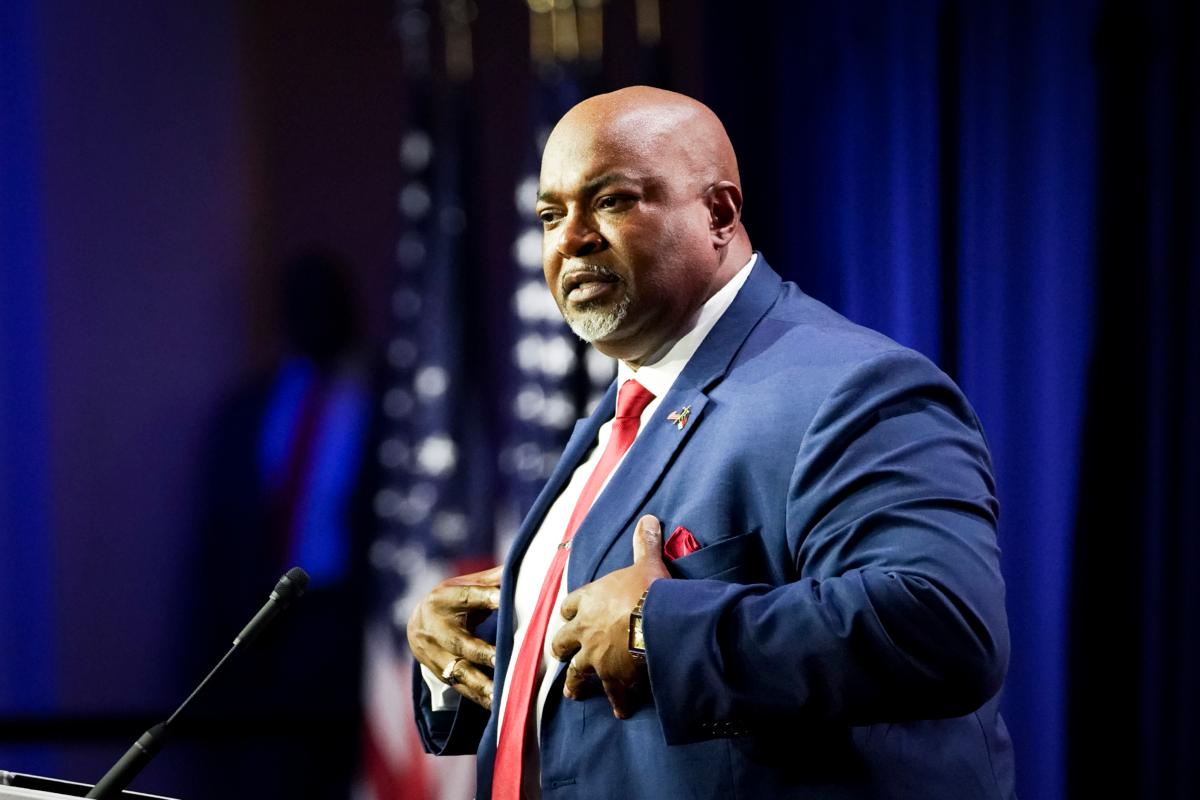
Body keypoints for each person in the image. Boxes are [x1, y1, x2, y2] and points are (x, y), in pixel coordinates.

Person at [407, 86, 1015, 799]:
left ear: (720, 213)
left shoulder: (854, 387)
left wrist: (654, 632)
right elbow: (588, 709)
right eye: (550, 214)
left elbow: (943, 628)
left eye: (612, 201)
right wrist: (477, 649)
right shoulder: (622, 414)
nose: (569, 237)